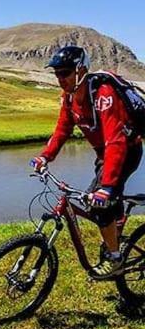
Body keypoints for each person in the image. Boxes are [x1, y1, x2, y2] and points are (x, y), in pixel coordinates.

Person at [31, 45, 144, 278]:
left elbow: (116, 141)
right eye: (57, 74)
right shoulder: (69, 98)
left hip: (126, 151)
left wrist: (107, 187)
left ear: (80, 70)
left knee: (99, 203)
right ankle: (116, 224)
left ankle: (114, 259)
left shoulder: (103, 94)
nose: (60, 79)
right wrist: (45, 156)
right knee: (106, 201)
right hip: (104, 155)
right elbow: (62, 130)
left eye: (65, 73)